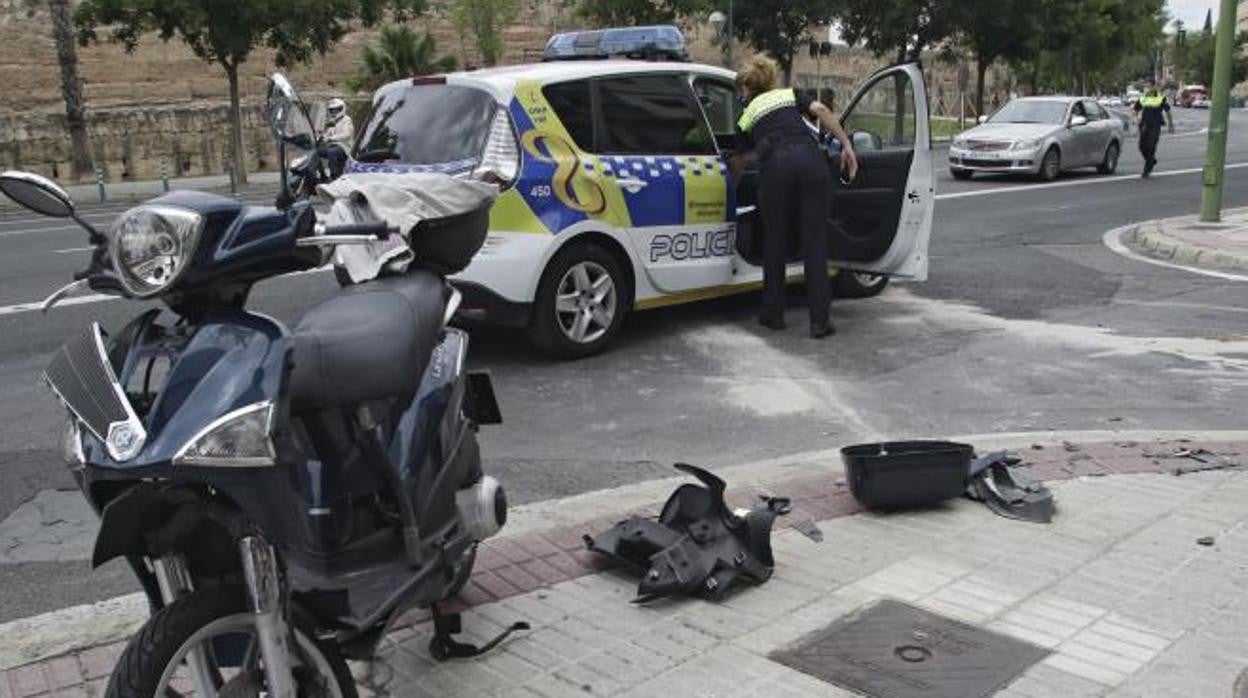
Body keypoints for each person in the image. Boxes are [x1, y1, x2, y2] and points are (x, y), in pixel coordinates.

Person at [735, 55, 857, 338]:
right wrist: (847, 145)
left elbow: (740, 160)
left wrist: (732, 183)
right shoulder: (789, 95)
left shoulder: (746, 114)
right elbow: (822, 111)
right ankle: (820, 322)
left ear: (747, 88)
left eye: (741, 90)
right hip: (811, 164)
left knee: (775, 240)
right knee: (814, 241)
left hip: (776, 169)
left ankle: (773, 315)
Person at [1133, 84, 1173, 178]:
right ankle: (1151, 160)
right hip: (1143, 126)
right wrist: (1136, 118)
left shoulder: (1161, 98)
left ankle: (1147, 169)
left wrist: (1171, 124)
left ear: (1154, 87)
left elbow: (1168, 111)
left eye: (1149, 86)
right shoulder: (1142, 98)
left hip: (1155, 126)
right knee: (1142, 147)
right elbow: (1135, 110)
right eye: (1146, 87)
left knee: (1151, 146)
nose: (1147, 89)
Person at [322, 97, 354, 179]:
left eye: (336, 110)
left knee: (332, 152)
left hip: (344, 148)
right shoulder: (333, 121)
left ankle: (334, 176)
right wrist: (321, 137)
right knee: (317, 151)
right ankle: (321, 174)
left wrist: (332, 138)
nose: (333, 112)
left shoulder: (347, 120)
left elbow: (347, 134)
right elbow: (327, 133)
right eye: (332, 110)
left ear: (341, 109)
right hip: (333, 146)